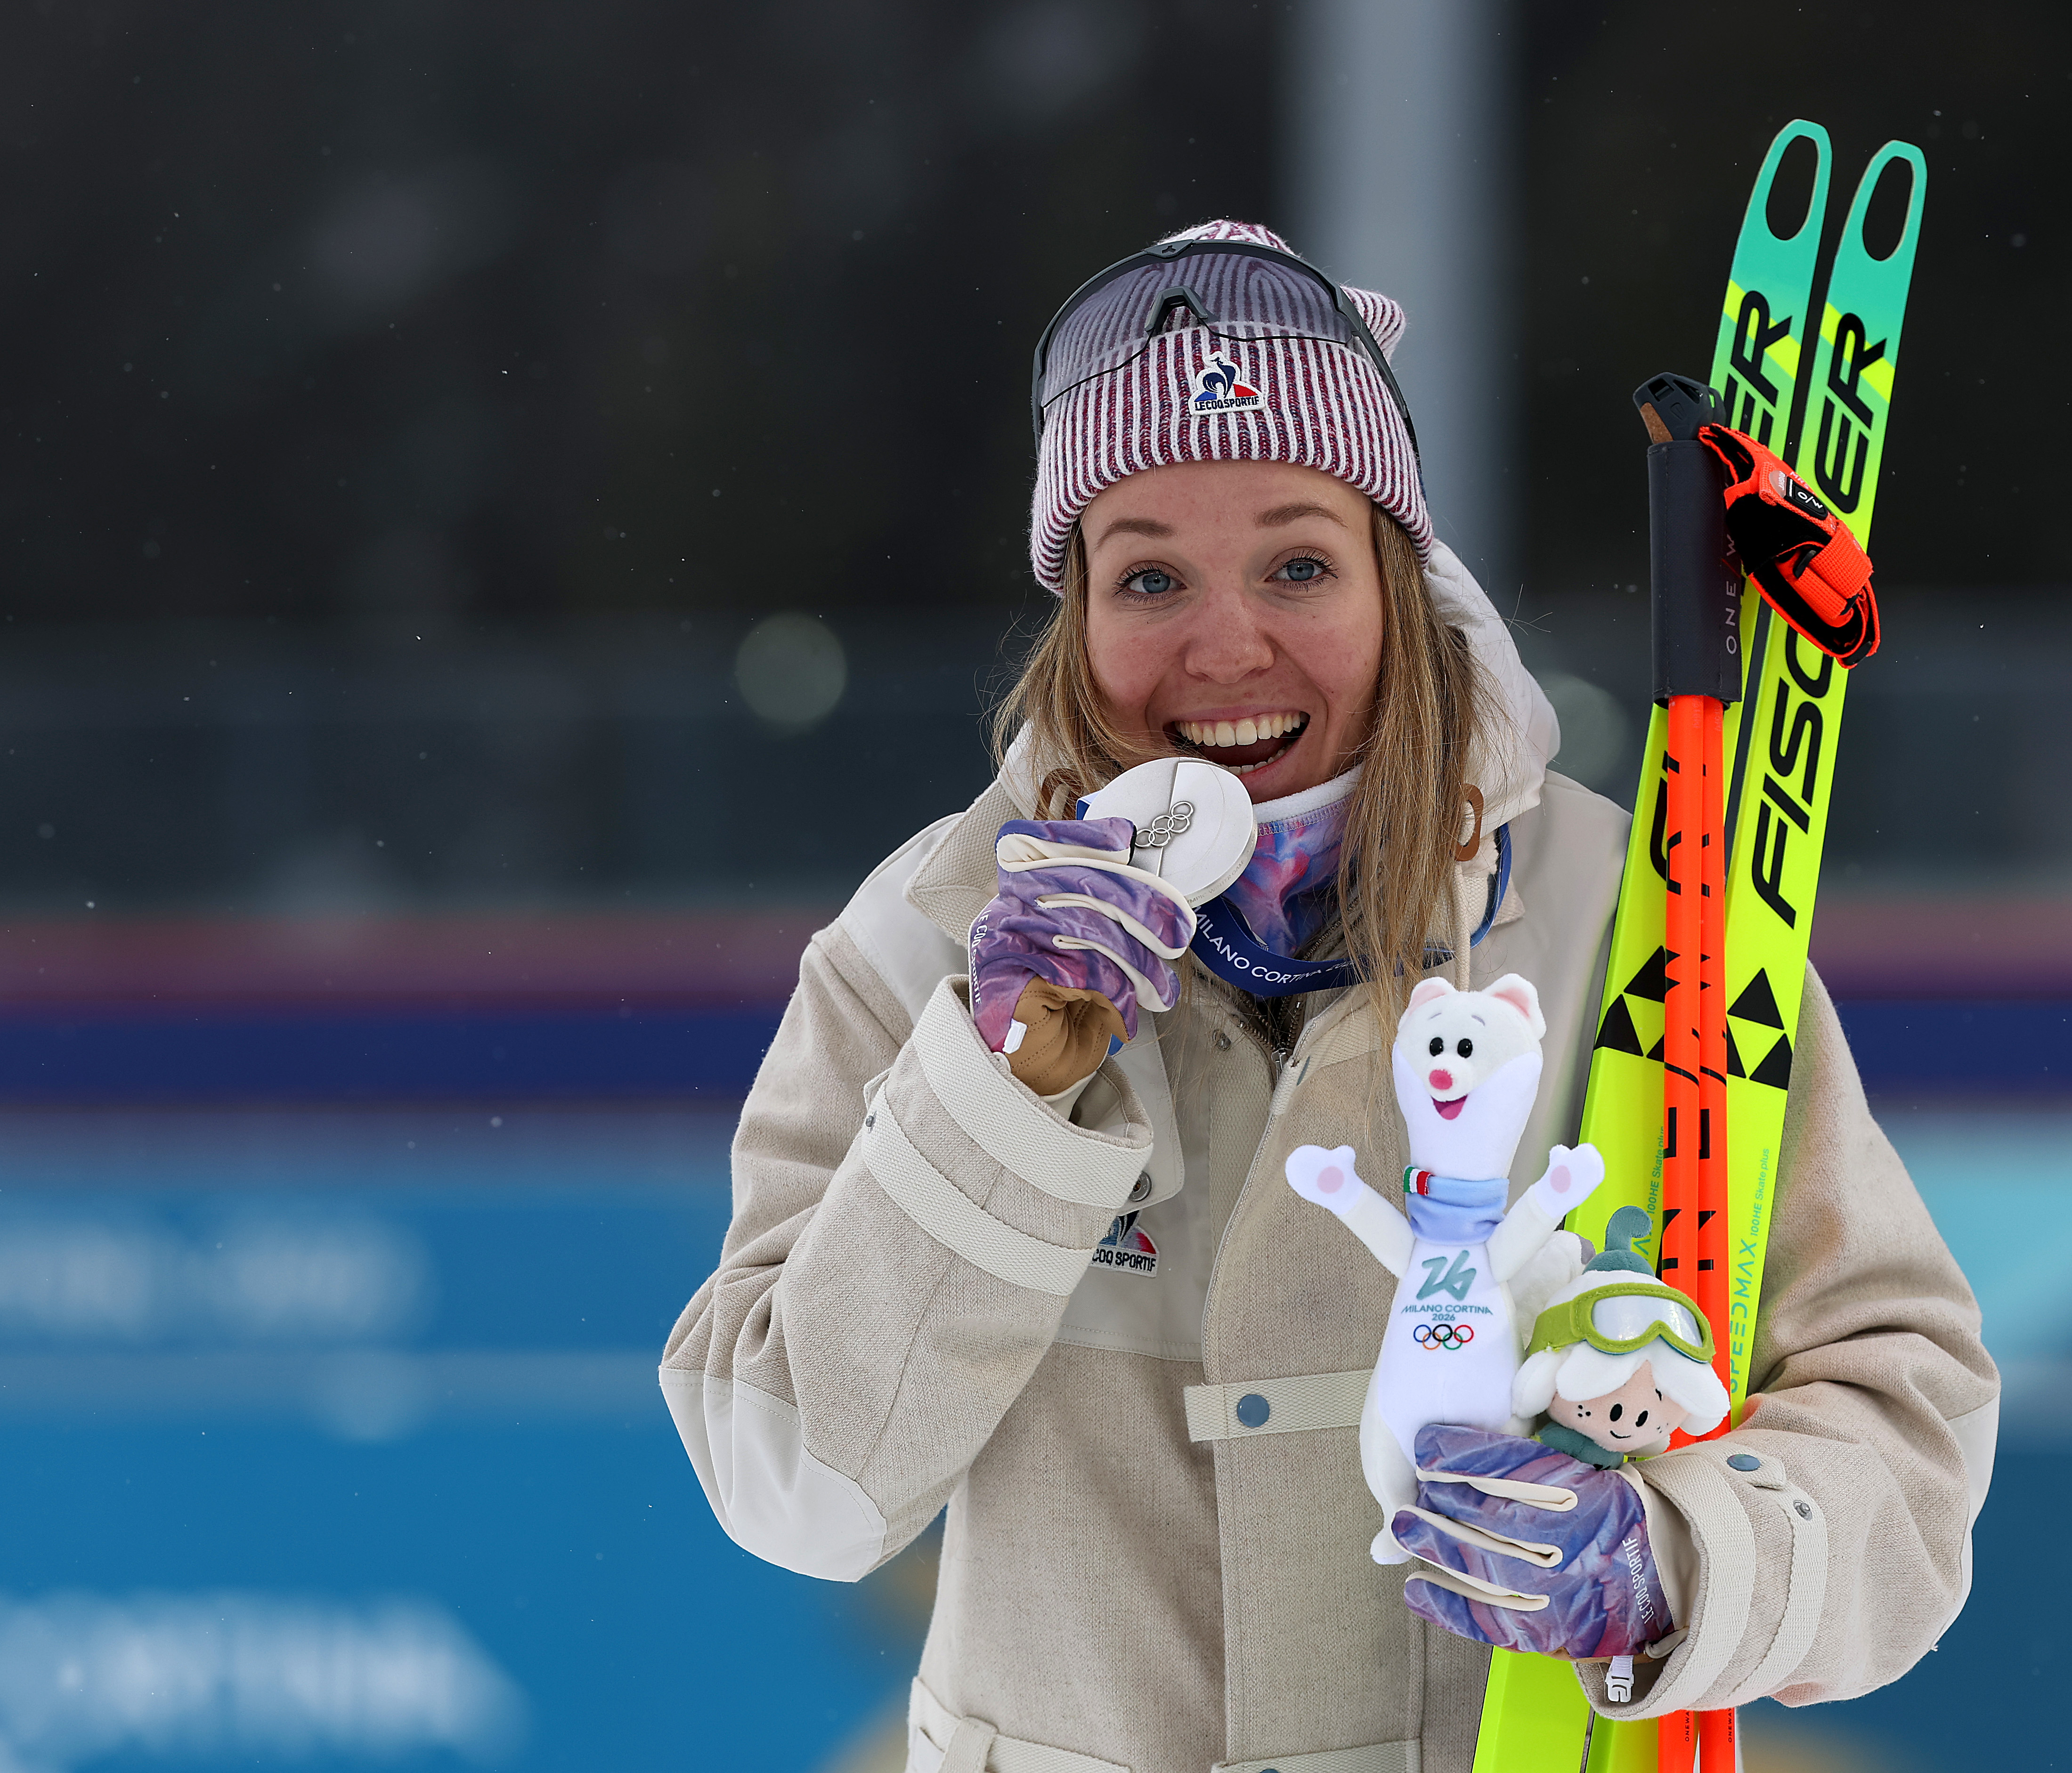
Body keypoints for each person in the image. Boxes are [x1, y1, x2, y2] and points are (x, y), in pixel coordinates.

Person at [660, 219, 1999, 1773]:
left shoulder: (1643, 924)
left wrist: (1676, 1560)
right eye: (1147, 573)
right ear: (1074, 620)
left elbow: (1906, 1432)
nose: (1226, 644)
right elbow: (794, 1488)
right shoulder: (928, 940)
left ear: (1403, 580)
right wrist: (996, 1091)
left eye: (1298, 561)